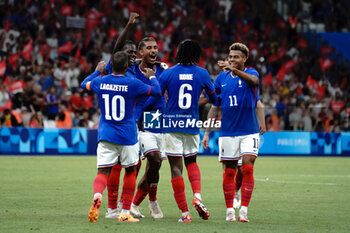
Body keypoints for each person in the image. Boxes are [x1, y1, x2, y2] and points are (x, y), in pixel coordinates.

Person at [81, 51, 161, 223]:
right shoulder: (133, 83)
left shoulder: (101, 81)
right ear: (126, 66)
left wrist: (97, 71)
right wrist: (152, 77)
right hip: (128, 136)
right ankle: (125, 212)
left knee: (103, 171)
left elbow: (84, 84)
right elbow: (157, 91)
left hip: (106, 134)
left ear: (111, 65)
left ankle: (97, 196)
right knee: (131, 171)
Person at [152, 39, 217, 222]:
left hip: (171, 124)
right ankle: (197, 195)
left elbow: (156, 95)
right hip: (191, 124)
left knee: (175, 167)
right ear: (196, 54)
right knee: (191, 161)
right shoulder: (202, 73)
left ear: (178, 52)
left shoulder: (168, 73)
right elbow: (214, 98)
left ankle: (185, 213)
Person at [202, 42, 261, 222]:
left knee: (248, 168)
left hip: (249, 130)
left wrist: (234, 70)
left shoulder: (252, 73)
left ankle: (243, 210)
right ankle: (230, 211)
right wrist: (206, 132)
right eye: (230, 57)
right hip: (227, 132)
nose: (232, 59)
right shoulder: (221, 78)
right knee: (229, 172)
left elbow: (254, 82)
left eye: (236, 57)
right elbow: (214, 105)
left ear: (244, 58)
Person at [103, 12, 140, 220]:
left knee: (132, 166)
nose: (132, 54)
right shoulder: (115, 66)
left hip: (133, 125)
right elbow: (117, 48)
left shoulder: (135, 70)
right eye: (129, 51)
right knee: (117, 166)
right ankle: (113, 208)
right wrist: (128, 25)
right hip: (118, 126)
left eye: (134, 51)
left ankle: (125, 206)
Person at [129, 36, 168, 219]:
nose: (153, 51)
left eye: (156, 47)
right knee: (136, 163)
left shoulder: (162, 69)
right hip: (136, 118)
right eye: (149, 48)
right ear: (141, 52)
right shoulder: (132, 69)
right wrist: (137, 116)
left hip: (156, 118)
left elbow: (160, 93)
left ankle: (142, 202)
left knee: (155, 163)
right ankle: (126, 203)